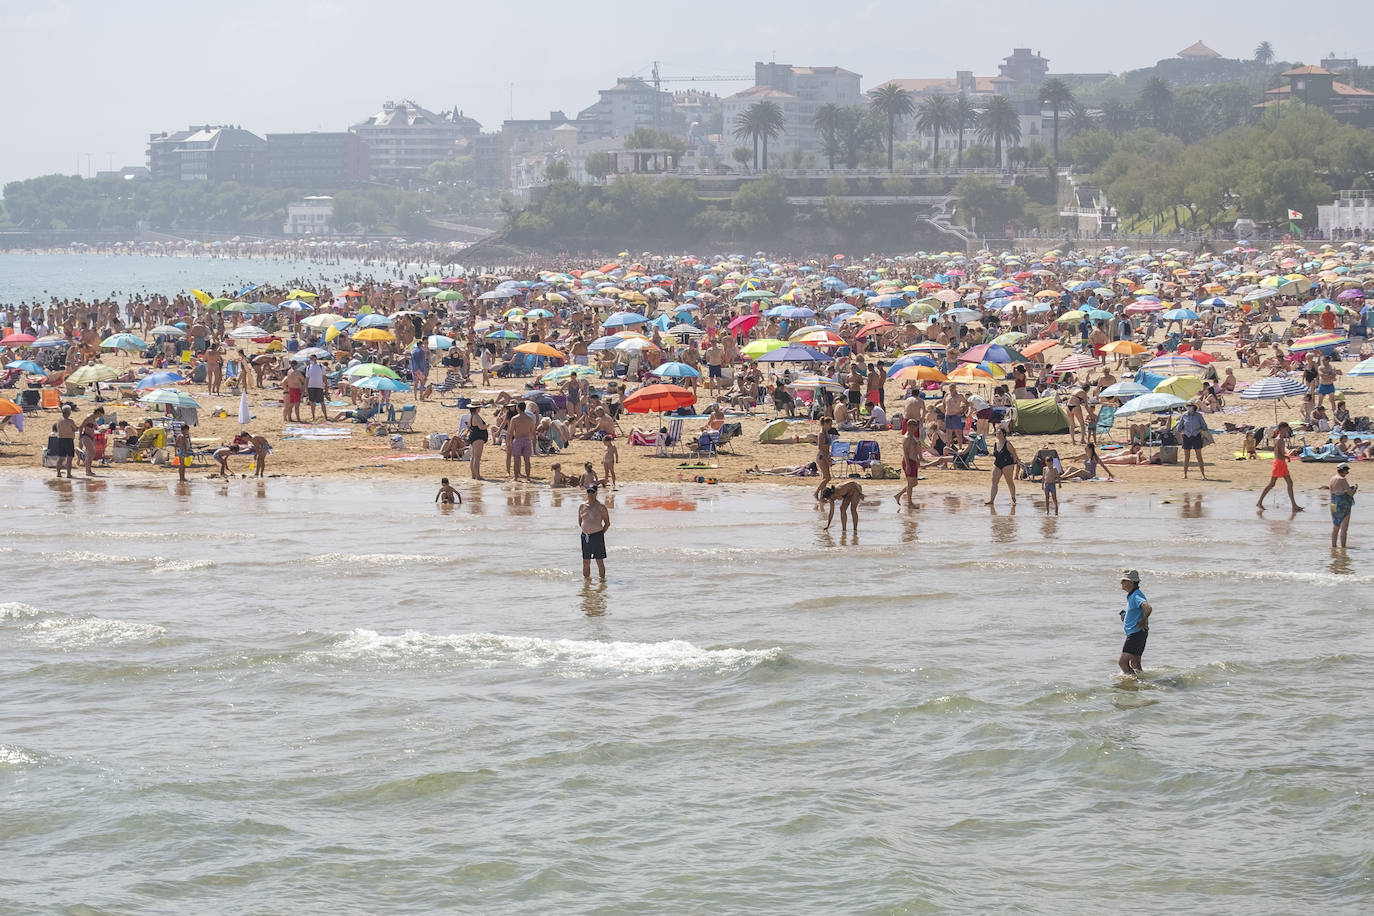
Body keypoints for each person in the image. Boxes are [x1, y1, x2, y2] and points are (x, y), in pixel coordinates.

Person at [1257, 422, 1302, 511]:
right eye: (1285, 430)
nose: (1286, 431)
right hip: (1279, 464)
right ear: (1281, 429)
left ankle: (1294, 505)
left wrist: (1288, 453)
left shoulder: (1281, 439)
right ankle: (1259, 502)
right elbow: (1277, 455)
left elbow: (1282, 450)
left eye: (1287, 430)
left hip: (1282, 463)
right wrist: (1287, 456)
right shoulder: (1279, 440)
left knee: (1289, 483)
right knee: (1272, 484)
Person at [1117, 569, 1153, 676]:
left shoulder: (1136, 595)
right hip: (1137, 633)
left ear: (1131, 582)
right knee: (1135, 663)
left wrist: (1142, 620)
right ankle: (1141, 682)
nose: (1121, 583)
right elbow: (1136, 610)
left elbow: (1148, 607)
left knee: (1122, 662)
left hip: (1136, 633)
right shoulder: (1132, 595)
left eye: (1124, 580)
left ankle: (1135, 683)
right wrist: (1125, 615)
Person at [578, 485, 611, 578]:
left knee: (599, 560)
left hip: (597, 536)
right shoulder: (582, 506)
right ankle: (586, 584)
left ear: (596, 493)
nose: (590, 494)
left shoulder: (601, 507)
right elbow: (580, 522)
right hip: (585, 536)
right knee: (586, 561)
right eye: (588, 492)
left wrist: (600, 533)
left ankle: (602, 582)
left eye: (592, 492)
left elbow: (607, 523)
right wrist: (586, 530)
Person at [985, 427, 1020, 506]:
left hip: (1007, 464)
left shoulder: (1007, 444)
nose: (998, 435)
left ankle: (1013, 499)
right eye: (997, 433)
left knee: (1009, 482)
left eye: (1000, 433)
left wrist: (1014, 464)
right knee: (994, 481)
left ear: (1004, 434)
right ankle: (991, 499)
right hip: (997, 464)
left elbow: (1014, 455)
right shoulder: (995, 443)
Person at [1177, 403, 1209, 480]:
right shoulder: (1184, 415)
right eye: (1188, 407)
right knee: (1186, 457)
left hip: (1196, 436)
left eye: (1190, 407)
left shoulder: (1198, 415)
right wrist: (1183, 432)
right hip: (1187, 436)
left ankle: (1203, 474)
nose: (1188, 408)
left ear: (1193, 407)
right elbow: (1179, 427)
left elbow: (1204, 426)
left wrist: (1199, 430)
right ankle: (1185, 474)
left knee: (1199, 456)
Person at [894, 421, 922, 508]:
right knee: (910, 483)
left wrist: (917, 459)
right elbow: (905, 452)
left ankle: (898, 495)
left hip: (913, 461)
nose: (915, 428)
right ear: (909, 426)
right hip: (908, 461)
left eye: (916, 426)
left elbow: (914, 450)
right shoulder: (907, 438)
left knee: (914, 483)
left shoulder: (913, 437)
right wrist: (908, 465)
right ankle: (909, 503)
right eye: (913, 426)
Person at [1330, 462, 1357, 549]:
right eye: (1347, 471)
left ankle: (1333, 546)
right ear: (1343, 470)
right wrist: (1355, 489)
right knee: (1344, 528)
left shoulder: (1332, 478)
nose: (1347, 473)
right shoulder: (1342, 480)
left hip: (1333, 503)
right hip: (1342, 504)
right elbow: (1350, 494)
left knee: (1335, 525)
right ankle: (1343, 547)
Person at [507, 401, 536, 480]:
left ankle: (516, 477)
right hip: (527, 440)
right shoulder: (530, 419)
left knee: (516, 460)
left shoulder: (515, 419)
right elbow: (532, 431)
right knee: (527, 460)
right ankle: (528, 477)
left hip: (518, 440)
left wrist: (509, 441)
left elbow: (511, 431)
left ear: (518, 408)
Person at [814, 416, 835, 500]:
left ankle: (822, 497)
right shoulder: (821, 434)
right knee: (828, 477)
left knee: (825, 477)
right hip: (821, 457)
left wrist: (829, 458)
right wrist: (827, 459)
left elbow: (827, 447)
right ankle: (816, 493)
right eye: (829, 424)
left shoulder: (826, 432)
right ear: (825, 424)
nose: (831, 426)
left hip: (825, 455)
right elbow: (820, 448)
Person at [304, 355, 331, 422]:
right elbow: (307, 378)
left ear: (315, 358)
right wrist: (306, 388)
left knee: (322, 402)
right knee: (312, 403)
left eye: (311, 358)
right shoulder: (308, 367)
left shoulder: (321, 366)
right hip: (311, 386)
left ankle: (325, 416)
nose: (311, 360)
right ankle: (313, 417)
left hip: (319, 386)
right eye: (310, 359)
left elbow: (324, 377)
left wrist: (326, 387)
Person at [54, 406, 77, 478]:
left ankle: (58, 473)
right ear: (67, 412)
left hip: (60, 439)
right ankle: (68, 474)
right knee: (69, 458)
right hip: (68, 440)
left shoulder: (59, 421)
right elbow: (75, 429)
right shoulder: (70, 421)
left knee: (61, 457)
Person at [466, 405, 488, 480]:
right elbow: (481, 427)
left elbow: (468, 427)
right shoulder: (476, 416)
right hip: (478, 437)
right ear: (477, 408)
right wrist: (487, 426)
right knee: (477, 458)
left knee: (473, 457)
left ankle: (473, 475)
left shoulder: (470, 416)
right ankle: (478, 475)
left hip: (473, 436)